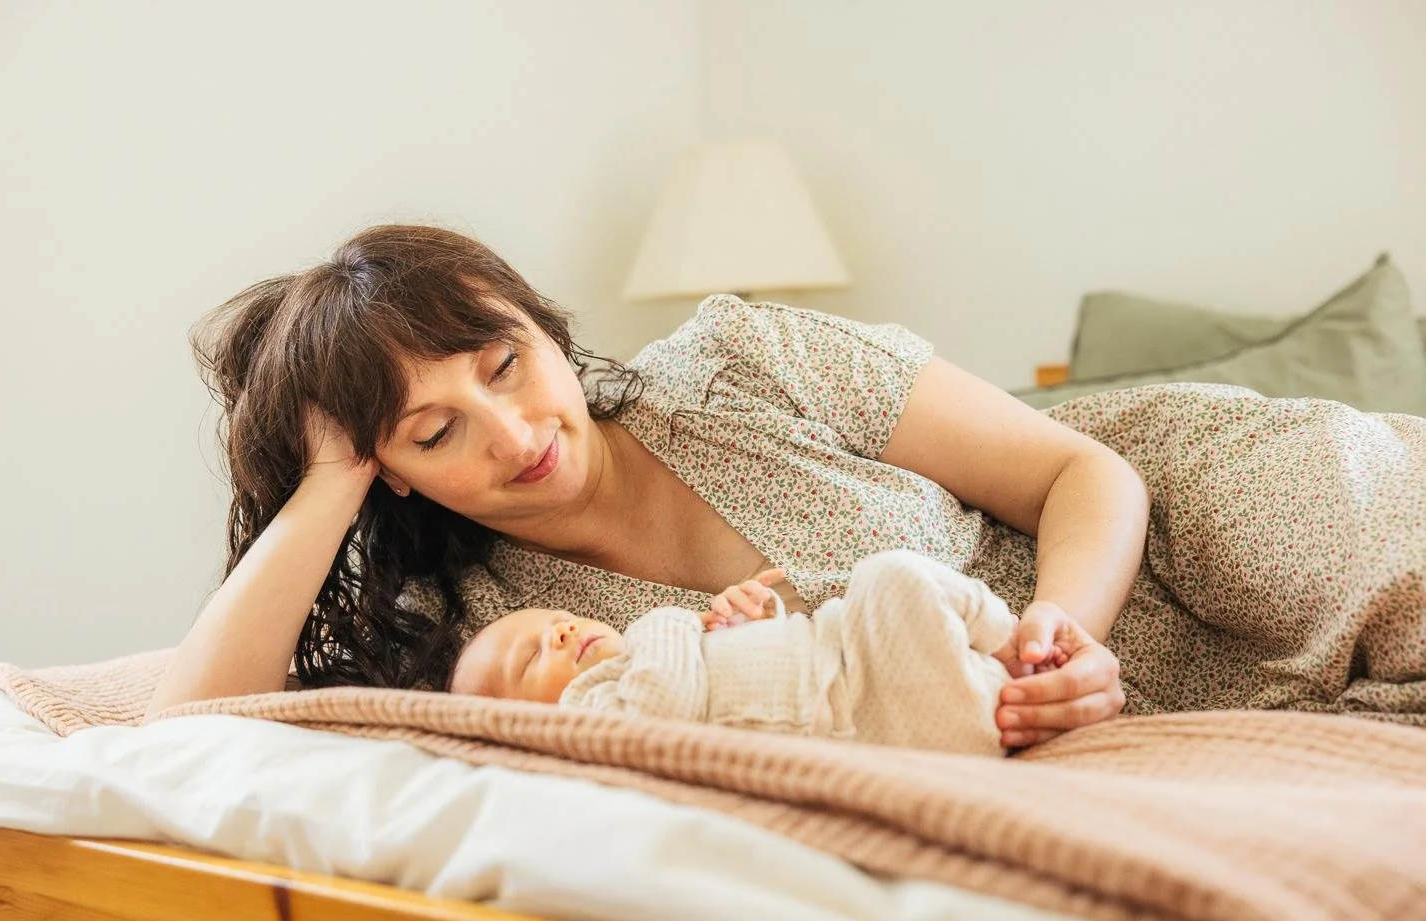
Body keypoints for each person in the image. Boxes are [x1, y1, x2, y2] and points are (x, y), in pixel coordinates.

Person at [145, 224, 1426, 741]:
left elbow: (1075, 468)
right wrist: (322, 485)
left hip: (1194, 520)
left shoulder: (740, 357)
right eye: (432, 433)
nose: (511, 428)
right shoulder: (498, 635)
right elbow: (180, 729)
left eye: (503, 360)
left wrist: (1062, 639)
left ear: (543, 325)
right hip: (1131, 699)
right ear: (394, 478)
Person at [451, 551, 1029, 756]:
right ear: (522, 727)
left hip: (853, 661)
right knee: (895, 576)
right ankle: (1015, 653)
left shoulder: (653, 657)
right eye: (530, 659)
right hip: (874, 707)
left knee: (892, 574)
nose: (561, 633)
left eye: (561, 621)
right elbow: (662, 708)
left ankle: (1020, 648)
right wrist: (668, 620)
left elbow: (752, 677)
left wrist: (749, 624)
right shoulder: (593, 720)